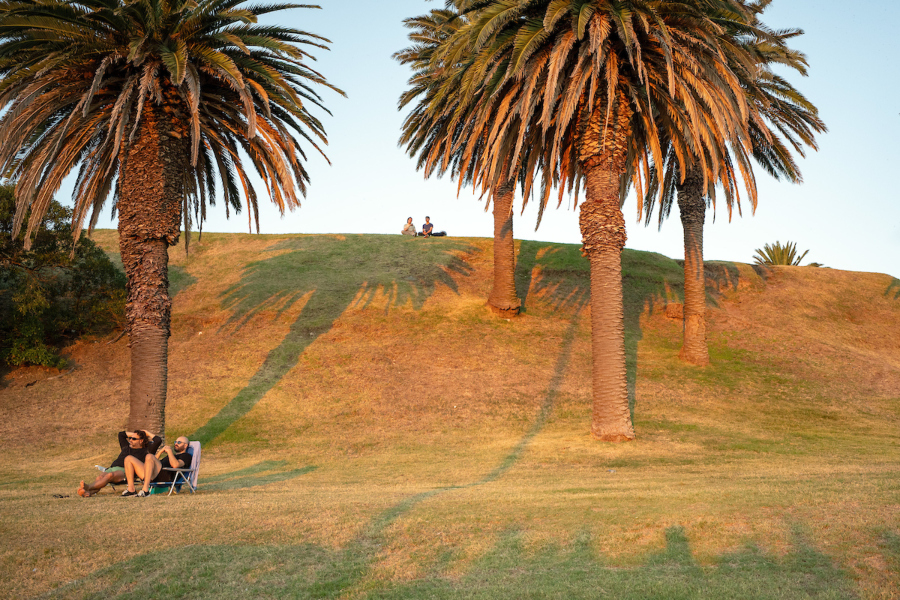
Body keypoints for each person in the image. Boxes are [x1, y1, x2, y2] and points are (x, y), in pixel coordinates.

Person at [77, 429, 162, 497]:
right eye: (130, 438)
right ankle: (88, 493)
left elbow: (158, 440)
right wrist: (135, 434)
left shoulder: (146, 450)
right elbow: (121, 434)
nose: (131, 440)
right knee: (100, 477)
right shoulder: (126, 446)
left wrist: (146, 433)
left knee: (109, 476)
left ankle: (88, 487)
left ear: (141, 441)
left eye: (134, 439)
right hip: (112, 468)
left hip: (124, 470)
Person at [121, 436, 192, 497]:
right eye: (175, 442)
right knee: (128, 458)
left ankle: (145, 490)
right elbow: (151, 461)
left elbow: (175, 465)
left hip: (165, 477)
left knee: (149, 456)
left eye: (179, 442)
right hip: (153, 474)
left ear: (185, 445)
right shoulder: (172, 456)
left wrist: (170, 452)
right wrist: (160, 451)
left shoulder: (186, 456)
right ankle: (131, 490)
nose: (176, 444)